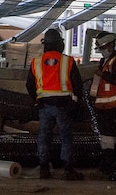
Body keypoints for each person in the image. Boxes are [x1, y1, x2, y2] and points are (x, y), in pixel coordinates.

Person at [26, 28, 84, 181]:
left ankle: (44, 168)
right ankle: (68, 170)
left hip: (44, 106)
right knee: (65, 136)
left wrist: (36, 99)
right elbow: (78, 85)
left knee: (44, 136)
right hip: (64, 106)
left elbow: (29, 85)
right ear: (60, 43)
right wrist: (76, 103)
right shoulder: (68, 61)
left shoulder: (36, 62)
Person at [90, 31, 116, 175]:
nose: (101, 52)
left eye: (102, 48)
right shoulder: (107, 62)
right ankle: (108, 163)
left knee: (112, 136)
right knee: (108, 136)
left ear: (111, 46)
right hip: (107, 107)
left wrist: (104, 75)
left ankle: (110, 164)